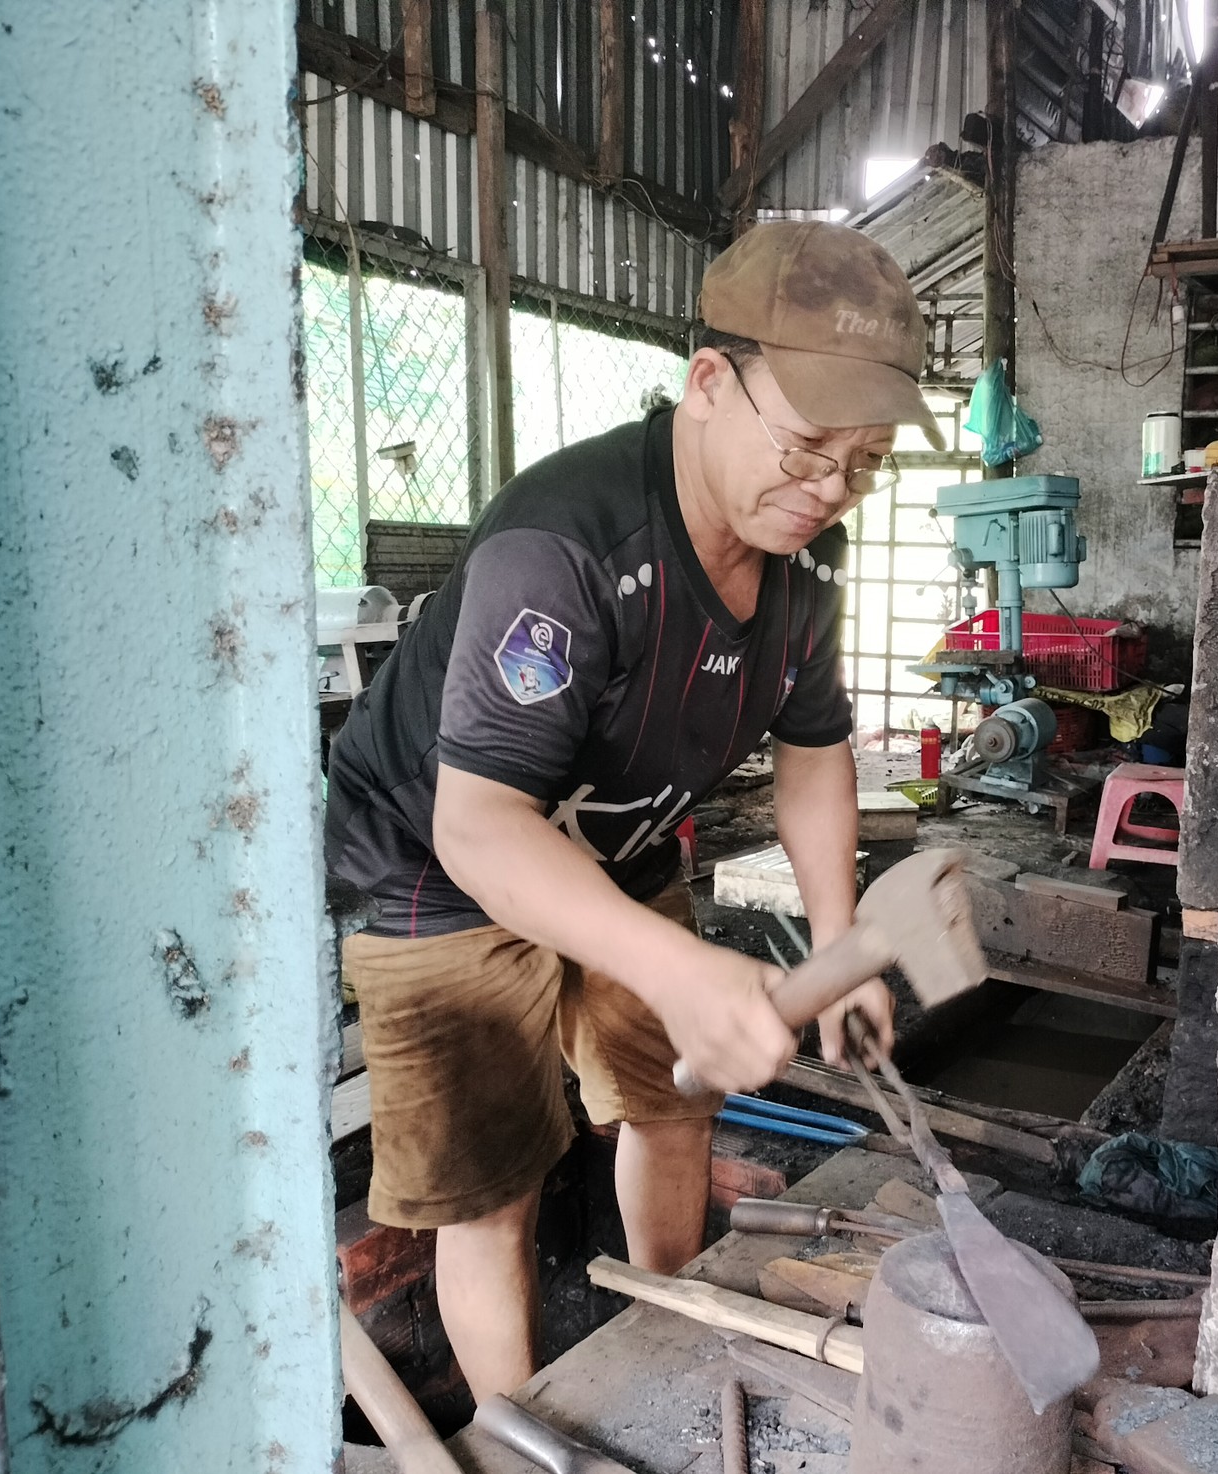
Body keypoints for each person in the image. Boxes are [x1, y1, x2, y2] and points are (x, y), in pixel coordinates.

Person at [324, 221, 947, 1400]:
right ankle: (521, 1430)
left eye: (862, 462)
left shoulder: (805, 564)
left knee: (676, 1099)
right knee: (491, 1182)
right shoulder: (564, 543)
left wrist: (838, 936)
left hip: (613, 846)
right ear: (710, 382)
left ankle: (681, 1346)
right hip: (433, 863)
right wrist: (686, 970)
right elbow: (482, 829)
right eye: (811, 445)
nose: (828, 489)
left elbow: (814, 748)